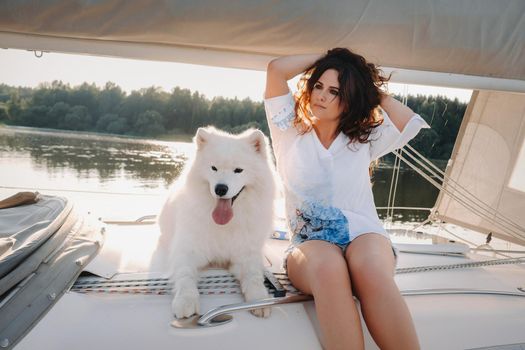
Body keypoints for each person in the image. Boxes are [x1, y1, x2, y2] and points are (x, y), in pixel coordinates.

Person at [264, 48, 428, 350]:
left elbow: (406, 120)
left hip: (364, 234)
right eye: (319, 86)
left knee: (369, 269)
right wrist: (330, 56)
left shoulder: (363, 140)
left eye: (335, 91)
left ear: (350, 98)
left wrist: (364, 85)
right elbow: (276, 69)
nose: (321, 96)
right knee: (329, 268)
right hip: (310, 243)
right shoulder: (287, 131)